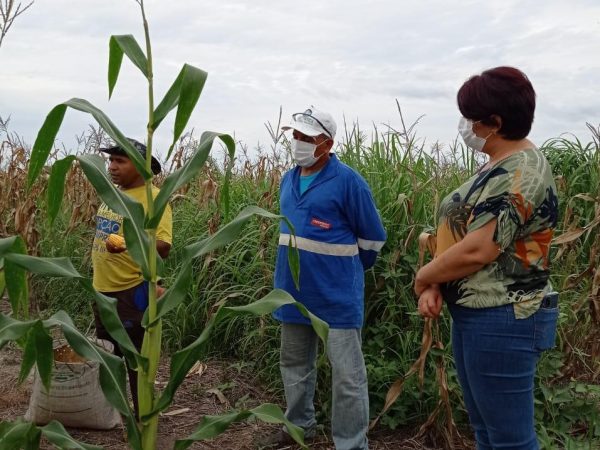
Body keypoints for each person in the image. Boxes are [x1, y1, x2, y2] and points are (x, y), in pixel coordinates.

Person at [414, 67, 559, 450]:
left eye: (471, 118)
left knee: (510, 440)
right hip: (480, 312)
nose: (465, 125)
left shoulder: (522, 172)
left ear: (495, 122)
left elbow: (479, 248)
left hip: (505, 315)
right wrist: (436, 283)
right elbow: (461, 235)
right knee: (486, 431)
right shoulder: (497, 165)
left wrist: (422, 276)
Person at [260, 107, 386, 450]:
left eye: (307, 138)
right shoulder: (288, 178)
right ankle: (299, 426)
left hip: (336, 297)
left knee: (347, 376)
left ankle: (351, 443)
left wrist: (343, 272)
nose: (298, 143)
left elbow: (372, 240)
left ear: (326, 144)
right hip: (291, 293)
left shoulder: (348, 182)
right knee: (294, 364)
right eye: (296, 136)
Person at [91, 138, 172, 419]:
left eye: (119, 161)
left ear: (140, 167)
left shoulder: (153, 198)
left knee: (135, 360)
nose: (111, 167)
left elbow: (164, 246)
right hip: (102, 290)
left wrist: (128, 243)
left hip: (131, 293)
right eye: (110, 161)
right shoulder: (112, 195)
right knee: (108, 355)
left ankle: (143, 420)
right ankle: (113, 412)